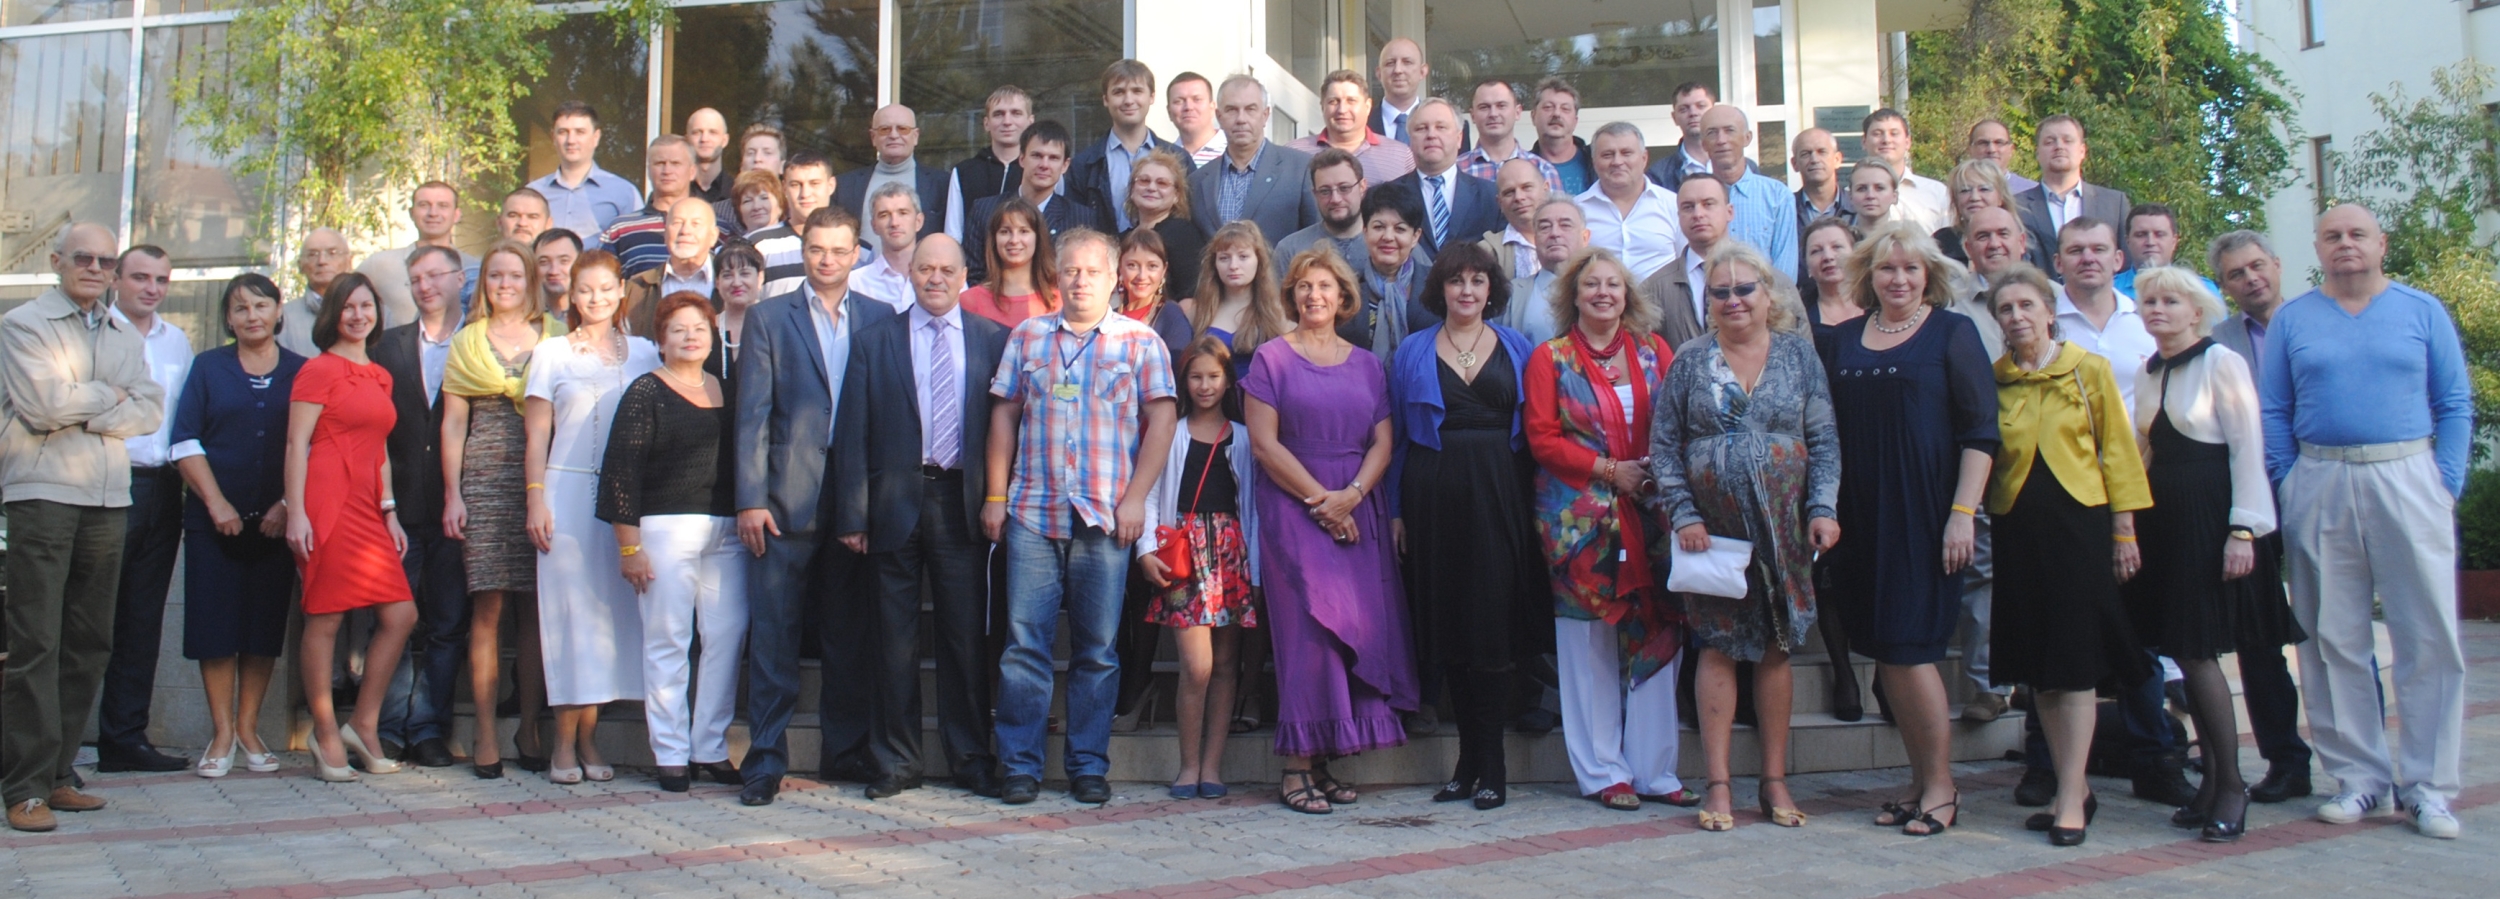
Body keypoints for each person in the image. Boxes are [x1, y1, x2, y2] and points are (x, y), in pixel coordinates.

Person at [2264, 204, 2471, 840]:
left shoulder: (2421, 310)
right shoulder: (2294, 320)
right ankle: (2358, 779)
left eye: (2358, 234)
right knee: (2332, 635)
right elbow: (2274, 409)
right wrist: (2289, 480)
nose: (2345, 244)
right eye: (2332, 235)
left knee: (2428, 635)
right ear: (2318, 247)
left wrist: (2444, 484)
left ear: (2382, 244)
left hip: (2407, 474)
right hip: (2320, 477)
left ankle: (2429, 787)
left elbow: (2454, 402)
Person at [1648, 242, 1840, 831]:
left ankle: (1774, 778)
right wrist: (1683, 514)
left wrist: (1823, 507)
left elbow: (1824, 438)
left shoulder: (1798, 355)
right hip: (1712, 534)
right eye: (1721, 292)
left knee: (1777, 647)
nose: (1733, 300)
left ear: (1768, 295)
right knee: (1718, 645)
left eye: (1744, 289)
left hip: (1784, 527)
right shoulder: (1690, 359)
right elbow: (1665, 445)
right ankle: (1719, 783)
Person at [984, 229, 1179, 806]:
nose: (1080, 281)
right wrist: (995, 496)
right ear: (1057, 276)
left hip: (1105, 516)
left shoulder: (1141, 342)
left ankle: (1089, 764)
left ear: (1114, 277)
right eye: (1070, 270)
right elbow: (1004, 416)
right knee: (1025, 645)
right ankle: (1018, 765)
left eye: (1093, 272)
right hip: (1033, 511)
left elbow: (1163, 422)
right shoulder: (1027, 336)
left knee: (1097, 648)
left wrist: (1136, 499)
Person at [1823, 222, 1997, 836]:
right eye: (1887, 269)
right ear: (1868, 275)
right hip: (1860, 516)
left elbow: (1981, 433)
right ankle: (1919, 781)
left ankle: (1943, 786)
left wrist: (1962, 514)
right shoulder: (1842, 339)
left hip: (1925, 515)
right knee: (1884, 653)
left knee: (1910, 648)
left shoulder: (1953, 332)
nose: (1899, 279)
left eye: (1911, 269)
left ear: (1930, 275)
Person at [1, 223, 167, 831]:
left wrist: (86, 404)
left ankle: (58, 774)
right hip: (42, 492)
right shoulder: (24, 324)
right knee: (36, 644)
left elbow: (150, 409)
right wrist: (110, 397)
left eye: (105, 260)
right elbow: (42, 406)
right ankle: (23, 787)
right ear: (57, 261)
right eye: (84, 258)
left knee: (89, 642)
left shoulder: (122, 333)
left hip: (108, 497)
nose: (95, 268)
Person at [831, 236, 1009, 800]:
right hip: (893, 504)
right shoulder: (875, 340)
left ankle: (970, 758)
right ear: (910, 273)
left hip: (962, 503)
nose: (935, 278)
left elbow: (1005, 428)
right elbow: (853, 430)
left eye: (946, 270)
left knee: (964, 639)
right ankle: (896, 761)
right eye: (925, 268)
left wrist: (998, 497)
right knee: (893, 640)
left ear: (964, 276)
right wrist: (853, 513)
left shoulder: (992, 339)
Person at [1984, 263, 2154, 847]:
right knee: (2043, 669)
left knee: (2076, 664)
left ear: (2050, 311)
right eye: (2006, 309)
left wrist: (2125, 532)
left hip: (2078, 530)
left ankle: (2072, 796)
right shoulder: (1996, 379)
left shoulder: (2088, 370)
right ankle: (2070, 787)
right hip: (2017, 532)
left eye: (2026, 306)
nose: (2017, 317)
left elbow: (2119, 453)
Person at [733, 207, 898, 805]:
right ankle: (763, 761)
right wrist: (750, 499)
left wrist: (874, 503)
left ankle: (845, 751)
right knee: (774, 637)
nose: (827, 260)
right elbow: (751, 415)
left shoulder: (881, 317)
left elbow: (886, 414)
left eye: (838, 250)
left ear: (856, 254)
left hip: (853, 500)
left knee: (848, 636)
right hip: (784, 500)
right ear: (802, 252)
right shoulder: (768, 317)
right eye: (816, 249)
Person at [1243, 248, 1413, 814]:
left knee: (1350, 631)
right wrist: (1324, 502)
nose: (1314, 295)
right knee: (1308, 634)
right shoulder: (1271, 358)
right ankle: (1295, 767)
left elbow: (1383, 442)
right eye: (1304, 286)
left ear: (1344, 297)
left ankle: (1324, 760)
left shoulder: (1367, 365)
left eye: (1325, 286)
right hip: (1295, 509)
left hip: (1357, 507)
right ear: (1291, 296)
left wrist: (1352, 497)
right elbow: (1264, 445)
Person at [2127, 265, 2292, 842]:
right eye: (2149, 301)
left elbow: (2248, 447)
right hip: (2163, 524)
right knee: (2180, 647)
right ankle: (2212, 782)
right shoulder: (2148, 371)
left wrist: (2244, 531)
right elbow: (2142, 452)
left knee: (2198, 652)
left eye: (2170, 301)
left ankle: (2231, 786)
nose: (2157, 310)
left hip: (2209, 518)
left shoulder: (2222, 361)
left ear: (2196, 312)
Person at [1523, 248, 1690, 812]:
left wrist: (1649, 475)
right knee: (1587, 639)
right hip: (1579, 523)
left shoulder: (1654, 350)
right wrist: (1610, 471)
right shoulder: (1550, 358)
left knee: (1659, 629)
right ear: (1573, 294)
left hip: (1651, 511)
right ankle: (1601, 771)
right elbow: (1542, 437)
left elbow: (1676, 421)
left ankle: (1654, 769)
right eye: (1591, 284)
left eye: (1612, 285)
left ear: (1627, 294)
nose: (1602, 293)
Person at [1388, 242, 1540, 811]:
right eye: (1457, 281)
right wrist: (1395, 510)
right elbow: (1398, 436)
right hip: (1433, 496)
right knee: (1449, 624)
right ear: (1441, 290)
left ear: (1491, 289)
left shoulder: (1518, 346)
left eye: (1478, 280)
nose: (1467, 290)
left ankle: (1493, 762)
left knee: (1492, 624)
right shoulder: (1412, 350)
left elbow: (1535, 434)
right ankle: (1465, 763)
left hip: (1501, 494)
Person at [597, 291, 744, 794]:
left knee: (726, 636)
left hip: (725, 532)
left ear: (713, 336)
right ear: (661, 340)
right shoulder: (646, 391)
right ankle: (671, 752)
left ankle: (710, 746)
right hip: (664, 529)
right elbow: (621, 471)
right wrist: (629, 547)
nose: (690, 337)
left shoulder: (727, 389)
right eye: (678, 329)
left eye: (699, 328)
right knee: (669, 641)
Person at [525, 251, 661, 786]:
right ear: (572, 295)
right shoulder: (551, 353)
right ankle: (563, 743)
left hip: (625, 502)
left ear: (621, 290)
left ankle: (590, 738)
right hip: (568, 493)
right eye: (585, 290)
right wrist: (536, 498)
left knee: (609, 622)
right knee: (571, 619)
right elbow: (537, 433)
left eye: (606, 288)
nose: (596, 298)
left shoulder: (645, 351)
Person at [439, 242, 565, 778]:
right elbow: (453, 425)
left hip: (545, 481)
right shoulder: (466, 341)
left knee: (536, 609)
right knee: (488, 606)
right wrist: (453, 493)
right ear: (484, 283)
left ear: (531, 280)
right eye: (496, 275)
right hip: (485, 480)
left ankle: (529, 725)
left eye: (515, 275)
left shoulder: (557, 336)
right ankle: (486, 731)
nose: (505, 284)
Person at [170, 274, 304, 779]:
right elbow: (185, 440)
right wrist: (216, 502)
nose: (252, 315)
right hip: (215, 523)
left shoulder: (302, 371)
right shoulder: (208, 367)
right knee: (215, 628)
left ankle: (249, 729)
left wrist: (288, 503)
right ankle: (222, 733)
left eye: (261, 305)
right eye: (241, 308)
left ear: (278, 311)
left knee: (261, 629)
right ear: (228, 317)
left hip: (277, 523)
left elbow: (315, 444)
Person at [284, 274, 415, 785]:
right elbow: (296, 445)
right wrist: (297, 512)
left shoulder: (379, 375)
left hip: (368, 505)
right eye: (348, 307)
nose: (359, 315)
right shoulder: (318, 370)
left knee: (401, 614)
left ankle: (362, 724)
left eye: (367, 306)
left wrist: (390, 510)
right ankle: (325, 734)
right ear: (332, 314)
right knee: (326, 617)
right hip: (328, 501)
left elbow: (378, 447)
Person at [2205, 229, 2315, 804]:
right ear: (2223, 287)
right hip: (2254, 500)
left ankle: (2362, 762)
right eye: (2235, 275)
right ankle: (2285, 762)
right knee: (2259, 637)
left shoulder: (2317, 322)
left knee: (2337, 628)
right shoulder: (2218, 342)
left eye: (2256, 266)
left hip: (2321, 484)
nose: (2250, 279)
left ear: (2276, 263)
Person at [1134, 337, 1260, 799]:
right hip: (1184, 555)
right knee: (1197, 665)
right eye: (1196, 377)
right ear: (1183, 381)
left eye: (1213, 376)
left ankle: (1211, 766)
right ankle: (1187, 765)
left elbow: (1253, 506)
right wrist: (1146, 548)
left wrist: (1256, 571)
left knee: (1225, 663)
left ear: (1227, 381)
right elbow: (1148, 492)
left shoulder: (1242, 437)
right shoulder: (1171, 433)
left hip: (1230, 553)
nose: (1205, 386)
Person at [93, 245, 193, 774]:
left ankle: (124, 740)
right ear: (116, 279)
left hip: (164, 488)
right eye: (140, 277)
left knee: (141, 619)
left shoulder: (177, 341)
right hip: (108, 482)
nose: (151, 288)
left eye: (161, 279)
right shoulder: (95, 333)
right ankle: (57, 750)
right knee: (89, 618)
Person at [368, 246, 468, 769]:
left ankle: (429, 728)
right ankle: (387, 728)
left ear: (459, 278)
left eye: (434, 275)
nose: (425, 286)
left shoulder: (479, 342)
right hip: (398, 507)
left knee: (448, 623)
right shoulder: (387, 346)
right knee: (395, 620)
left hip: (458, 507)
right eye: (415, 279)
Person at [1189, 75, 1319, 242]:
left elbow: (1316, 238)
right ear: (1219, 116)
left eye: (1250, 109)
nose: (1241, 119)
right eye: (1231, 110)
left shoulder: (1300, 169)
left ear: (1265, 115)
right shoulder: (1198, 182)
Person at [966, 121, 1096, 286]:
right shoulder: (984, 210)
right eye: (1037, 156)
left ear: (1065, 165)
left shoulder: (1081, 218)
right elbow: (974, 276)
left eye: (1053, 158)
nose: (1044, 165)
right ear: (1021, 159)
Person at [1070, 60, 1193, 232]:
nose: (1128, 100)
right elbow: (1076, 228)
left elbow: (1189, 218)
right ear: (1106, 99)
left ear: (1151, 97)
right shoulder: (1084, 165)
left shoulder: (1179, 159)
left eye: (1137, 91)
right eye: (1119, 92)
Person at [2051, 217, 2155, 410]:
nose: (2088, 259)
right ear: (2058, 263)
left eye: (2099, 249)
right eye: (2076, 251)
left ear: (2118, 260)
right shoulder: (2042, 324)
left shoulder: (2147, 321)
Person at [2014, 116, 2131, 273]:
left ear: (2082, 151)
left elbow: (2127, 264)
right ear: (2037, 153)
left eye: (2067, 140)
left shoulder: (2114, 203)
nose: (2059, 146)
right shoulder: (2016, 206)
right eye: (2049, 142)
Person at [1385, 99, 1500, 256]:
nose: (1431, 135)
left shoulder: (1491, 196)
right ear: (1410, 140)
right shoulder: (1389, 196)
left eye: (1441, 127)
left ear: (1459, 138)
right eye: (1421, 128)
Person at [1690, 106, 1795, 277]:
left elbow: (1785, 274)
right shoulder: (1693, 198)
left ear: (1747, 138)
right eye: (1712, 133)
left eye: (1729, 130)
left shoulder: (1777, 196)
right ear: (1703, 144)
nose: (1721, 140)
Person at [1640, 175, 1740, 350]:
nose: (1698, 214)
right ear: (1678, 216)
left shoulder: (1766, 281)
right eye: (1688, 207)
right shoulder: (1654, 289)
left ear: (1729, 212)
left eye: (1708, 204)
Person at [834, 104, 951, 253]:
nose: (894, 135)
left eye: (902, 129)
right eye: (885, 129)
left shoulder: (943, 185)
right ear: (873, 137)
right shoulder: (845, 186)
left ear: (915, 136)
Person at [358, 182, 477, 326]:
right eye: (424, 205)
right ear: (411, 213)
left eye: (443, 206)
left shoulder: (475, 269)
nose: (433, 213)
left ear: (456, 215)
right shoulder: (380, 265)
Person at [528, 101, 643, 247]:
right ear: (553, 137)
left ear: (596, 137)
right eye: (563, 132)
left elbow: (636, 247)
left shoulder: (624, 193)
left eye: (580, 132)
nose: (571, 140)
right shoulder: (534, 193)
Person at [1576, 123, 1681, 280]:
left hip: (1660, 296)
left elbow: (1686, 265)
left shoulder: (1674, 205)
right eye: (1607, 155)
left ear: (1644, 158)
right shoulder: (1576, 210)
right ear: (1594, 162)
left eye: (1626, 153)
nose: (1617, 162)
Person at [1347, 182, 1438, 360]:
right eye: (1379, 227)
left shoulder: (1437, 285)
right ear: (1365, 232)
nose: (1388, 237)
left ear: (1415, 236)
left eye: (1400, 229)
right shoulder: (1346, 289)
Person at [1288, 70, 1417, 185]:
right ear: (1322, 107)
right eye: (1333, 101)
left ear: (1367, 106)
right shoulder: (1293, 154)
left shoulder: (1401, 156)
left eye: (1351, 101)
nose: (1342, 110)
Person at [601, 135, 703, 280]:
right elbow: (602, 281)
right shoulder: (620, 229)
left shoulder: (715, 227)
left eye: (675, 163)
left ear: (692, 171)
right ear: (648, 170)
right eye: (660, 163)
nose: (667, 170)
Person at [945, 85, 1035, 241]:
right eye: (998, 114)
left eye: (1016, 113)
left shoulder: (1040, 170)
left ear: (1030, 121)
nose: (1007, 121)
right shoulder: (964, 172)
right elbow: (953, 235)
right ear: (986, 123)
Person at [623, 196, 720, 338]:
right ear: (665, 233)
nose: (685, 231)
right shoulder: (637, 287)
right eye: (677, 223)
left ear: (713, 236)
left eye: (695, 224)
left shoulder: (731, 283)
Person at [960, 198, 1062, 328]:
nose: (1014, 240)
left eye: (1023, 231)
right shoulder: (969, 301)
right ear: (994, 239)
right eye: (1005, 232)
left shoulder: (1060, 301)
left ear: (1038, 238)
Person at [1499, 198, 1587, 343]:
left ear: (1585, 237)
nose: (1555, 233)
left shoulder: (1605, 290)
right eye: (1545, 227)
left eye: (1565, 225)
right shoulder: (1511, 295)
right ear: (1535, 240)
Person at [1949, 206, 2029, 363]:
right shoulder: (1949, 301)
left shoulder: (2053, 295)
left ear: (2021, 242)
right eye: (1983, 236)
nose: (1994, 244)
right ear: (1968, 249)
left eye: (2003, 234)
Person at [1126, 149, 1208, 300]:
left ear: (1176, 195)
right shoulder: (1123, 238)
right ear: (1132, 190)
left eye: (1162, 183)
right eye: (1144, 181)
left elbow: (1192, 295)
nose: (1151, 188)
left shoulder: (1183, 235)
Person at [1194, 222, 1288, 353]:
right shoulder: (1197, 312)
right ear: (1214, 263)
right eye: (1224, 258)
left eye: (1243, 257)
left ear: (1259, 260)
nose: (1233, 266)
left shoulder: (1279, 313)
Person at [1272, 148, 1368, 275]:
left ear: (1362, 187)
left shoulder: (1384, 245)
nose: (1335, 199)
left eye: (1344, 188)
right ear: (1315, 194)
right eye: (1325, 191)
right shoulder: (1290, 250)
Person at [1456, 78, 1563, 189]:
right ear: (1473, 116)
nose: (1493, 114)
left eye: (1501, 106)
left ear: (1517, 112)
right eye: (1484, 107)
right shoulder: (1455, 170)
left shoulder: (1544, 171)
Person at [1115, 228, 1195, 369]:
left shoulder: (1171, 316)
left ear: (1164, 270)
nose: (1142, 276)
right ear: (1120, 268)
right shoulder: (1109, 315)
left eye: (1152, 266)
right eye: (1132, 265)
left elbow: (1177, 370)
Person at [1861, 109, 1948, 232]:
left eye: (1894, 133)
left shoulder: (1937, 192)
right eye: (1877, 133)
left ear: (1907, 142)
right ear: (1864, 142)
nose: (1886, 140)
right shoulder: (1850, 198)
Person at [852, 182, 928, 312]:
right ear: (874, 226)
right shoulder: (856, 283)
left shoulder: (940, 279)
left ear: (918, 221)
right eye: (884, 215)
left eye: (903, 213)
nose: (894, 223)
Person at [771, 153, 840, 295]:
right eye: (796, 185)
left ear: (831, 185)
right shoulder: (760, 246)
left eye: (814, 183)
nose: (805, 194)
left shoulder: (859, 251)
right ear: (784, 188)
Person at [2113, 204, 2217, 297]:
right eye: (2141, 235)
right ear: (2128, 241)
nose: (2150, 242)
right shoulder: (2110, 289)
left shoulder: (2202, 290)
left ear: (2174, 241)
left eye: (2159, 234)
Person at [282, 228, 355, 358]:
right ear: (300, 265)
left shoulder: (374, 314)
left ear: (349, 262)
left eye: (332, 253)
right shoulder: (283, 318)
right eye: (312, 254)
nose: (322, 261)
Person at [1478, 158, 1549, 287]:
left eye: (1526, 187)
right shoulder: (1486, 253)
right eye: (1509, 192)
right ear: (1500, 202)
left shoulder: (1572, 241)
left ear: (1546, 189)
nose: (1519, 197)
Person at [708, 237, 767, 389]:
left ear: (760, 278)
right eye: (727, 275)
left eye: (744, 274)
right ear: (717, 282)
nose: (736, 283)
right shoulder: (706, 329)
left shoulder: (776, 327)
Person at [1936, 159, 2016, 265]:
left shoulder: (2018, 237)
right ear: (1955, 200)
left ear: (2001, 197)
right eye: (1965, 190)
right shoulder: (1942, 241)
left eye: (1984, 189)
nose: (1974, 197)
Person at [1531, 77, 1596, 195]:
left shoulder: (1596, 161)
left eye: (1565, 109)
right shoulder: (1522, 166)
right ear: (1533, 116)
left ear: (1575, 121)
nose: (1556, 113)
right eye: (1548, 107)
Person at [1368, 38, 1438, 149]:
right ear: (1379, 73)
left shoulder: (1451, 126)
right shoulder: (1360, 124)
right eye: (1390, 63)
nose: (1398, 70)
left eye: (1407, 62)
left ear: (1422, 71)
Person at [1790, 128, 1853, 239]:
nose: (1814, 159)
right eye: (1805, 154)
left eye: (1822, 152)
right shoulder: (1786, 209)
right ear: (1794, 164)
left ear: (1837, 159)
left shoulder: (1857, 206)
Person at [1964, 118, 2039, 194]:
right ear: (1970, 149)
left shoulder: (2033, 192)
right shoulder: (1957, 190)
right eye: (1983, 143)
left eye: (1999, 142)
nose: (1992, 149)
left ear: (2011, 149)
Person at [1167, 72, 1226, 165]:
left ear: (1212, 108)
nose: (1188, 107)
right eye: (1179, 101)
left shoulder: (1234, 151)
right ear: (1169, 112)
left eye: (1197, 99)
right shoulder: (1164, 158)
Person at [685, 107, 732, 204]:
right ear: (687, 140)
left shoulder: (738, 192)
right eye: (697, 133)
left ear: (725, 140)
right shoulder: (675, 191)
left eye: (713, 132)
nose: (704, 139)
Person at [1847, 158, 1905, 234]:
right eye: (1861, 189)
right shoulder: (1836, 238)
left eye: (1879, 188)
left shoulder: (1909, 240)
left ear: (1894, 196)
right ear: (1850, 196)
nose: (1870, 195)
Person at [534, 229, 583, 316]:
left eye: (564, 261)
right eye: (544, 262)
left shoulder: (593, 314)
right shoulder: (522, 317)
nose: (554, 271)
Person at [729, 169, 787, 236]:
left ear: (780, 205)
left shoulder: (795, 240)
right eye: (747, 201)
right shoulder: (735, 243)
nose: (756, 207)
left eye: (764, 198)